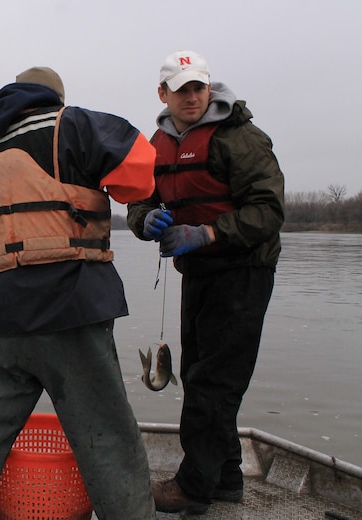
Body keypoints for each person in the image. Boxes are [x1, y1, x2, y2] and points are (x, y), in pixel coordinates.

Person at [0, 66, 157, 520]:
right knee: (106, 435)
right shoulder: (76, 125)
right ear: (55, 96)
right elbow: (139, 175)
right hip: (72, 311)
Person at [127, 50, 285, 514]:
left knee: (213, 384)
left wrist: (209, 232)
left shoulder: (241, 138)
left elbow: (269, 212)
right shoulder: (155, 144)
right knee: (199, 375)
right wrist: (146, 219)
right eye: (181, 89)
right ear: (164, 94)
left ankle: (194, 487)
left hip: (243, 272)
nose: (192, 96)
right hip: (196, 273)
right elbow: (138, 203)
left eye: (198, 87)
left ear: (208, 88)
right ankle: (226, 480)